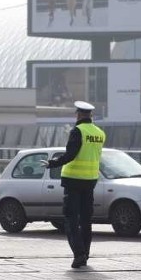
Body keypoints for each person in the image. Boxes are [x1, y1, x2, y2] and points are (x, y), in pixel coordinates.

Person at [44, 101, 106, 268]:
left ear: (78, 115)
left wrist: (52, 163)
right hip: (91, 180)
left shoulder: (77, 131)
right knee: (86, 220)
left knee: (71, 219)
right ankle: (85, 253)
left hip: (73, 180)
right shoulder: (99, 133)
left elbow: (71, 155)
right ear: (90, 115)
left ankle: (78, 254)